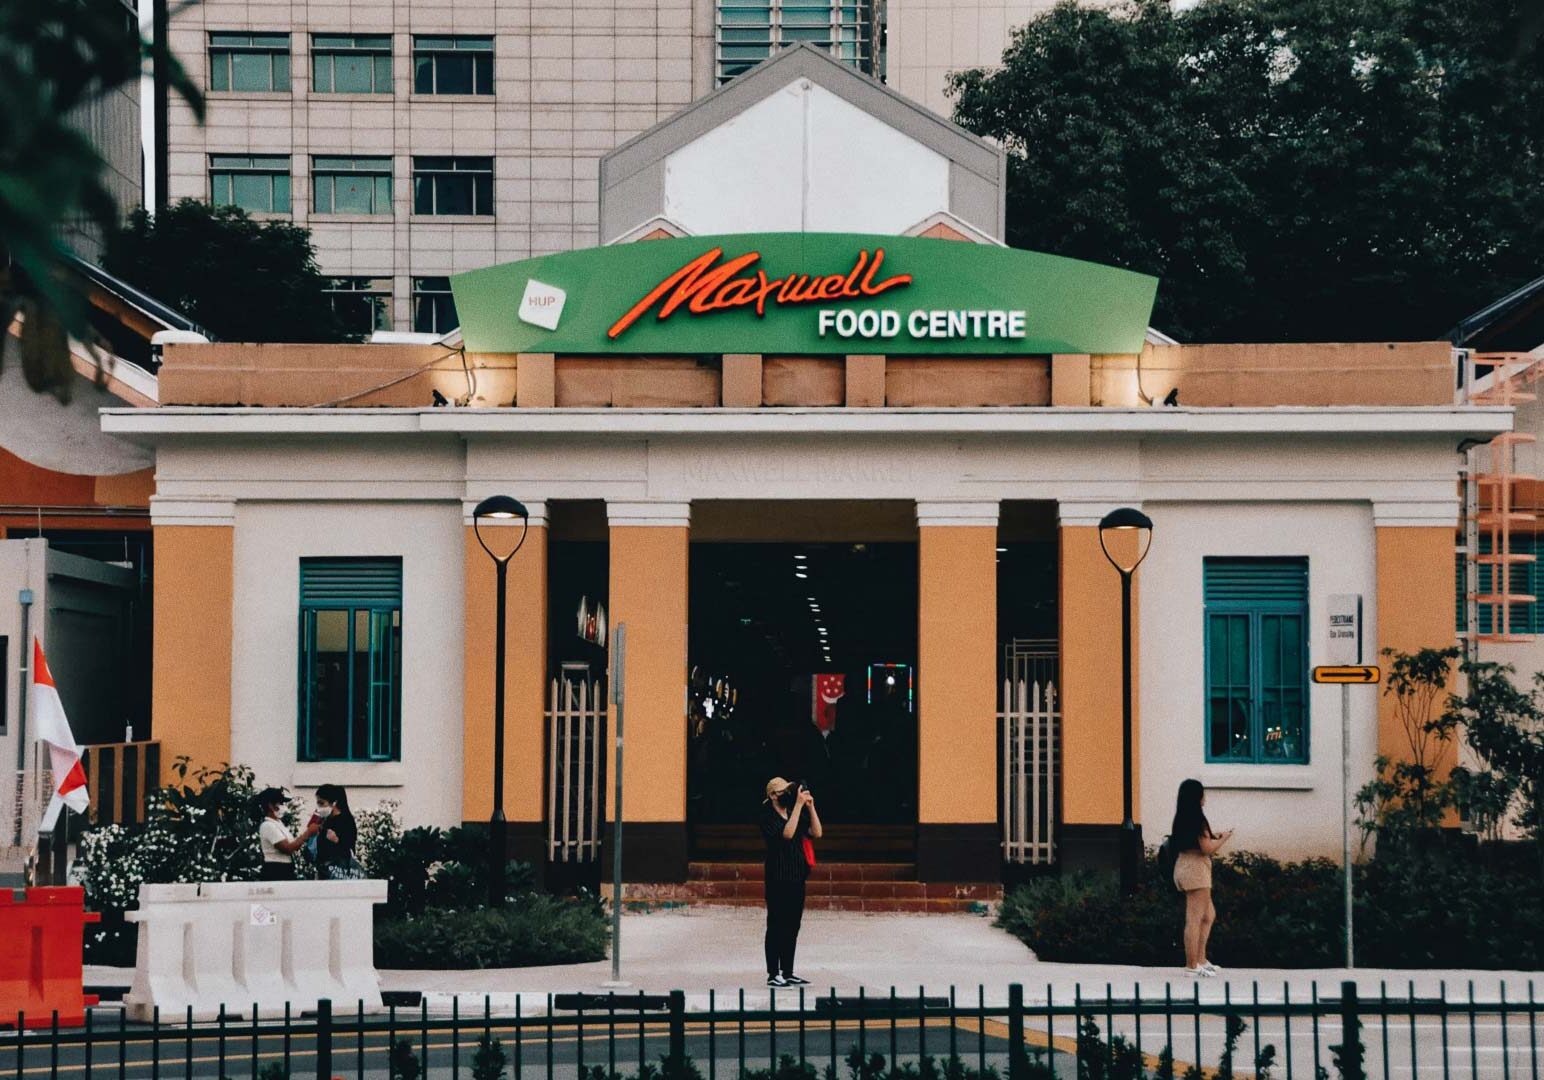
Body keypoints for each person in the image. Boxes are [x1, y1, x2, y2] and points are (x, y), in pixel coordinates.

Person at [759, 776, 822, 987]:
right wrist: (796, 807)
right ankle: (773, 973)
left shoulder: (795, 813)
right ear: (772, 795)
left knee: (792, 925)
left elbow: (817, 832)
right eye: (782, 791)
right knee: (776, 924)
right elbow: (786, 834)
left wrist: (810, 808)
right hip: (778, 877)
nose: (787, 794)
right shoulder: (767, 816)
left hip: (797, 876)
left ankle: (788, 971)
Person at [1170, 778, 1233, 977]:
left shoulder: (1181, 818)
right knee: (1195, 918)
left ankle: (1201, 959)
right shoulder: (1198, 819)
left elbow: (1194, 842)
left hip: (1184, 866)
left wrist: (1211, 836)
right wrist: (1223, 839)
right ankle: (1192, 965)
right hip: (1196, 869)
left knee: (1208, 915)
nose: (1205, 797)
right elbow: (1206, 848)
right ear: (1197, 797)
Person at [256, 787, 317, 881]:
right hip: (275, 868)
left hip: (286, 867)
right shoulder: (267, 825)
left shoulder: (278, 824)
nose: (283, 806)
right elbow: (287, 848)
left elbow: (294, 844)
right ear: (271, 806)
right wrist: (308, 833)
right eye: (281, 803)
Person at [312, 783, 361, 879]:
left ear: (334, 803)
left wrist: (337, 840)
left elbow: (350, 846)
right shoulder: (326, 820)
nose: (319, 807)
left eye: (322, 803)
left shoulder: (345, 820)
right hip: (324, 869)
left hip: (338, 870)